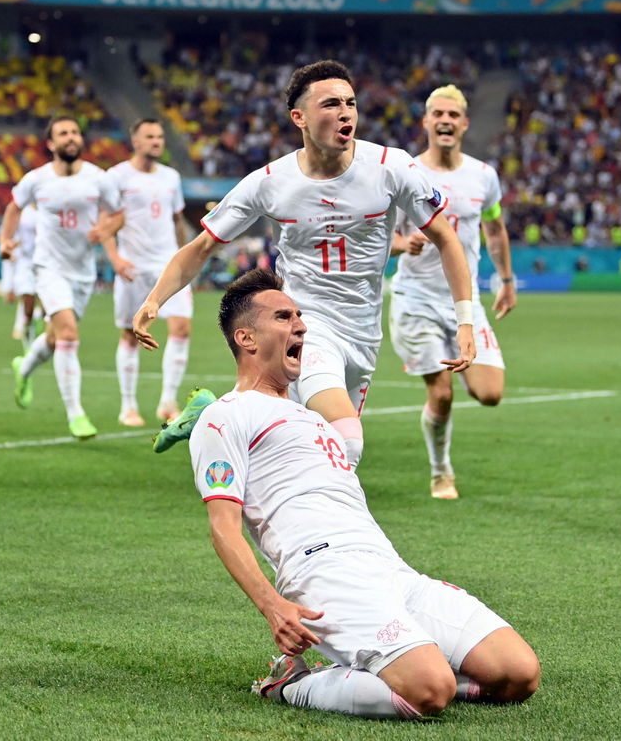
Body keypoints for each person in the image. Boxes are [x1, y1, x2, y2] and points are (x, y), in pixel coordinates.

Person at [191, 269, 539, 719]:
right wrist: (272, 606)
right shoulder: (225, 417)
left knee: (518, 673)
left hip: (389, 566)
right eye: (283, 317)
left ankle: (404, 669)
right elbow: (223, 529)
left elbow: (348, 429)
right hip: (325, 572)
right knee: (429, 691)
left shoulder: (311, 418)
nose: (301, 325)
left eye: (299, 315)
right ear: (246, 338)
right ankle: (293, 683)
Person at [134, 60, 476, 463]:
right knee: (348, 443)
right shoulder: (271, 182)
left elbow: (446, 239)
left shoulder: (391, 167)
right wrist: (155, 299)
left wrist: (465, 320)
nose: (345, 112)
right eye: (330, 104)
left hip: (363, 332)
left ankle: (212, 413)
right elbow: (201, 247)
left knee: (311, 450)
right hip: (305, 325)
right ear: (299, 117)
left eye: (350, 102)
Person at [389, 85, 516, 500]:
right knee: (440, 393)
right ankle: (441, 472)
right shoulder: (406, 171)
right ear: (426, 121)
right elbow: (376, 229)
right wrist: (399, 244)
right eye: (437, 113)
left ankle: (454, 363)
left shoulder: (483, 176)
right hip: (416, 300)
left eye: (453, 115)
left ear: (464, 123)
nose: (445, 120)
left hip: (465, 303)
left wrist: (507, 280)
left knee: (490, 393)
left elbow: (494, 228)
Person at [0, 116, 120, 440]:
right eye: (63, 133)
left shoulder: (98, 178)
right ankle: (76, 413)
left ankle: (23, 368)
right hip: (48, 268)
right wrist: (4, 241)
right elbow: (13, 207)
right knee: (68, 333)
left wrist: (106, 229)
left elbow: (119, 213)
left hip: (82, 272)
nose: (70, 137)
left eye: (75, 132)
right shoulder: (36, 179)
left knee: (55, 338)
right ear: (50, 143)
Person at [96, 118, 193, 427]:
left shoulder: (171, 177)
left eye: (160, 136)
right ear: (135, 141)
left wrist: (184, 259)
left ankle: (168, 401)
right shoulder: (117, 177)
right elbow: (105, 223)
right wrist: (115, 259)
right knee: (129, 334)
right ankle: (128, 406)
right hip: (132, 269)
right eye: (150, 136)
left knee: (181, 329)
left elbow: (177, 221)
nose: (157, 141)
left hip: (167, 266)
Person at [2, 202, 41, 347]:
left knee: (46, 303)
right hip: (25, 262)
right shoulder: (23, 212)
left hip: (46, 261)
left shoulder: (50, 208)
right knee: (28, 302)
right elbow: (10, 236)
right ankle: (26, 333)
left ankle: (37, 319)